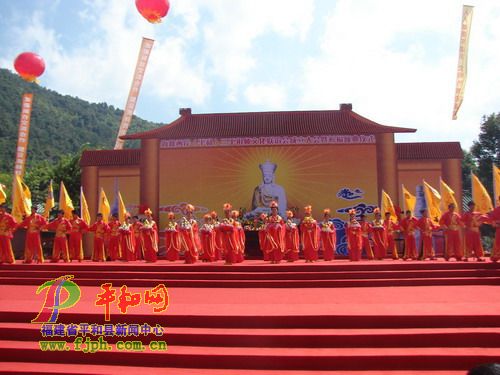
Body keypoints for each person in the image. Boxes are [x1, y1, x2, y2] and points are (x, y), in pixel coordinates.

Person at [488, 198, 500, 262]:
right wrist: (496, 224)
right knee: (498, 242)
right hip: (499, 229)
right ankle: (496, 256)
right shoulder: (496, 210)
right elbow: (491, 219)